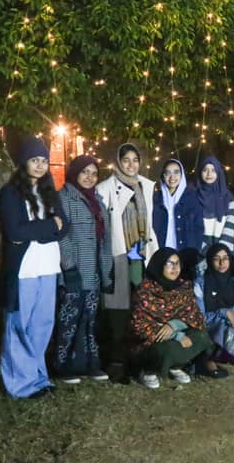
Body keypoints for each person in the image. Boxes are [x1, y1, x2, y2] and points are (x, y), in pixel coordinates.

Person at [0, 137, 68, 399]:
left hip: (48, 267)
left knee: (42, 325)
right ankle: (21, 385)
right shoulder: (10, 193)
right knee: (19, 326)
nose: (40, 165)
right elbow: (15, 232)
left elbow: (65, 227)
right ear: (23, 163)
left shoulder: (49, 192)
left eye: (44, 161)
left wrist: (39, 231)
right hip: (23, 270)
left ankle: (38, 378)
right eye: (34, 160)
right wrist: (49, 227)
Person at [95, 143, 159, 377]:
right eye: (126, 160)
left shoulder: (146, 186)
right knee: (118, 311)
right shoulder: (105, 188)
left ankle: (139, 358)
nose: (131, 164)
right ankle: (116, 360)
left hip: (142, 255)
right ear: (118, 162)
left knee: (142, 308)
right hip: (119, 254)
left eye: (135, 160)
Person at [129, 250, 228, 389]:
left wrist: (174, 325)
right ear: (159, 265)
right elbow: (139, 327)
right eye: (170, 263)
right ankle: (148, 370)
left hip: (176, 335)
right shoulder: (145, 291)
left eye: (177, 263)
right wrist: (177, 335)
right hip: (151, 341)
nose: (175, 268)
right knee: (166, 349)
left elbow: (196, 317)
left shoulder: (184, 288)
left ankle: (176, 366)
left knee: (202, 336)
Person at [55, 155, 114, 384]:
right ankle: (64, 365)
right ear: (75, 173)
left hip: (94, 272)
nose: (89, 177)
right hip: (74, 271)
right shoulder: (64, 198)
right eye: (84, 172)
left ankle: (90, 363)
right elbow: (62, 236)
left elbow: (105, 240)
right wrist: (69, 267)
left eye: (94, 173)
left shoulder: (97, 201)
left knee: (89, 319)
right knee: (69, 319)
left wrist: (106, 272)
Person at [152, 159, 204, 281]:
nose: (172, 177)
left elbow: (198, 228)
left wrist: (194, 251)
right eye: (168, 173)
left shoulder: (192, 198)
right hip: (161, 253)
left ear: (182, 175)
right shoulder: (156, 199)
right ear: (163, 176)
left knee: (183, 288)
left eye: (176, 172)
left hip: (184, 254)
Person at [196, 155, 234, 253]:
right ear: (200, 172)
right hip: (199, 251)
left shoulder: (228, 197)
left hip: (223, 252)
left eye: (213, 170)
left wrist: (220, 253)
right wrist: (206, 252)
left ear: (218, 172)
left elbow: (230, 226)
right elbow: (192, 228)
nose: (209, 174)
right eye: (205, 170)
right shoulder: (193, 196)